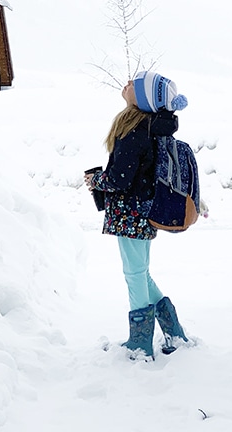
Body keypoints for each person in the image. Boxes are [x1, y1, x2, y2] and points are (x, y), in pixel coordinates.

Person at [85, 70, 189, 359]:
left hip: (129, 213)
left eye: (135, 84)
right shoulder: (152, 126)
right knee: (141, 272)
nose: (128, 83)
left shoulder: (134, 129)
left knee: (134, 274)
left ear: (143, 98)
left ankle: (140, 343)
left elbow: (119, 179)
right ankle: (173, 331)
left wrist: (96, 181)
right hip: (144, 209)